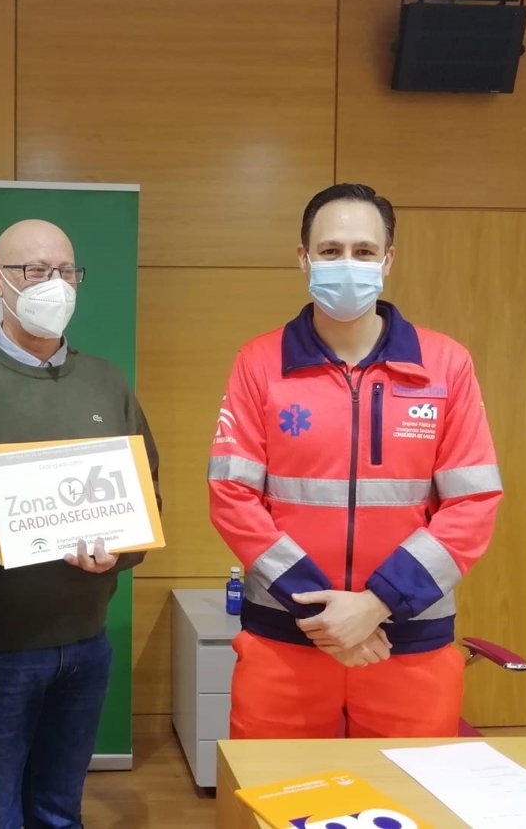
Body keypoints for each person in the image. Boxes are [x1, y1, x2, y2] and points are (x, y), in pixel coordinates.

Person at [208, 183, 502, 740]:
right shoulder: (259, 363)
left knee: (409, 789)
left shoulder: (446, 365)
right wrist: (323, 616)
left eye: (364, 251)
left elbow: (474, 502)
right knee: (275, 789)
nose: (348, 263)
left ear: (388, 260)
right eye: (331, 250)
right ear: (304, 259)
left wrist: (376, 604)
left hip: (408, 642)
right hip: (287, 638)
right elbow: (231, 497)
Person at [0, 219, 160, 829]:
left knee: (58, 811)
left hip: (85, 644)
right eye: (36, 270)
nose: (55, 284)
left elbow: (145, 492)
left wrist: (121, 551)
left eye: (66, 271)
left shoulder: (106, 380)